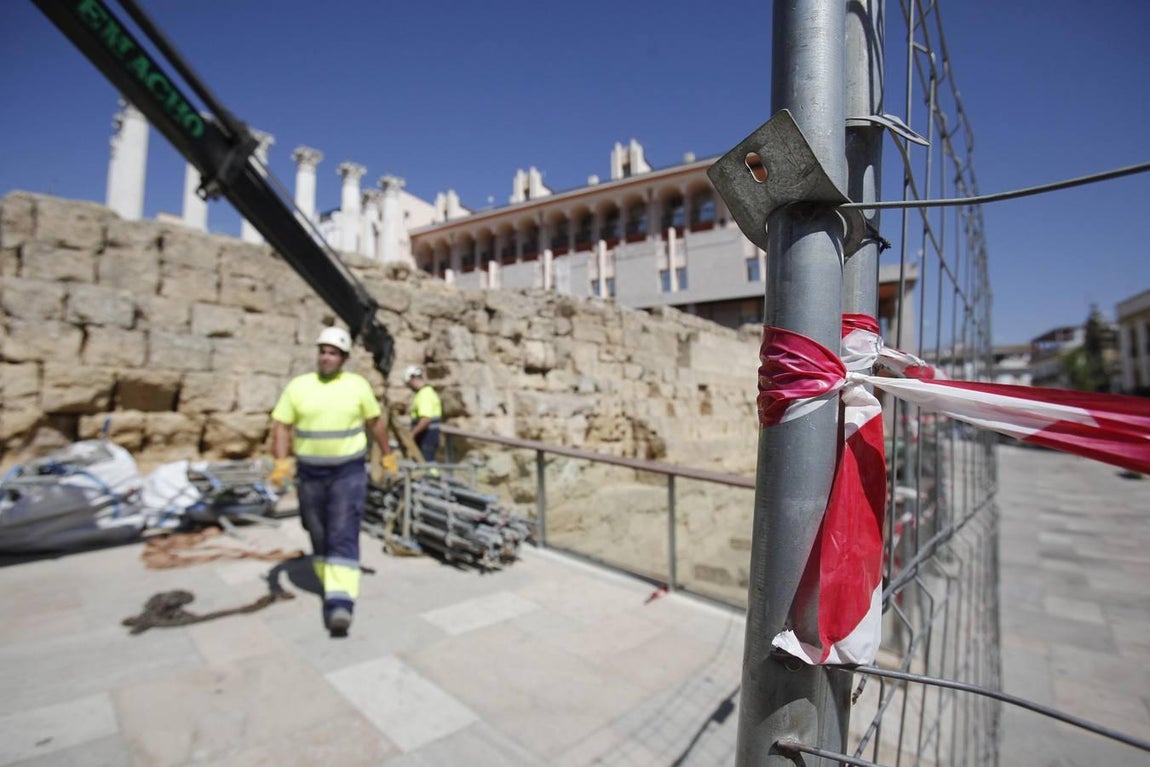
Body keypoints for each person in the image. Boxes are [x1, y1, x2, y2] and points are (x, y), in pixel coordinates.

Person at [267, 326, 398, 636]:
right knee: (317, 530)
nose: (326, 358)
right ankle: (330, 580)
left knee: (342, 530)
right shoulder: (299, 387)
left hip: (347, 472)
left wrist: (388, 456)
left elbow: (376, 423)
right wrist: (281, 464)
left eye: (334, 353)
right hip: (310, 474)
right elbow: (281, 426)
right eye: (323, 352)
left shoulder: (357, 386)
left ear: (344, 358)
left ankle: (340, 602)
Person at [403, 365, 442, 463]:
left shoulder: (424, 395)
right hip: (428, 437)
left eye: (408, 383)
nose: (409, 387)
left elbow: (426, 419)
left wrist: (412, 434)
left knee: (426, 463)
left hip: (427, 437)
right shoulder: (426, 392)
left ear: (412, 379)